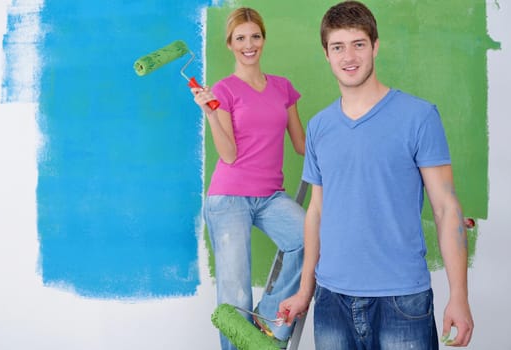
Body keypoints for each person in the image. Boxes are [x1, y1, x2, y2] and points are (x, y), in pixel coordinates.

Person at [279, 1, 474, 349]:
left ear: (375, 46)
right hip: (331, 299)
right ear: (326, 54)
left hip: (402, 299)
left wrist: (459, 295)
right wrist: (305, 290)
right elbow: (317, 212)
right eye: (337, 46)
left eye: (358, 44)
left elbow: (446, 208)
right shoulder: (319, 127)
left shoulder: (419, 117)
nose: (348, 56)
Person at [191, 7, 306, 350]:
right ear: (230, 44)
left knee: (312, 238)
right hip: (229, 197)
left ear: (263, 39)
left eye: (255, 36)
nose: (249, 44)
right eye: (240, 38)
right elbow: (228, 155)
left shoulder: (283, 88)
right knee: (235, 293)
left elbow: (301, 145)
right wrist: (210, 113)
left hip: (271, 196)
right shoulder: (224, 90)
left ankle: (267, 320)